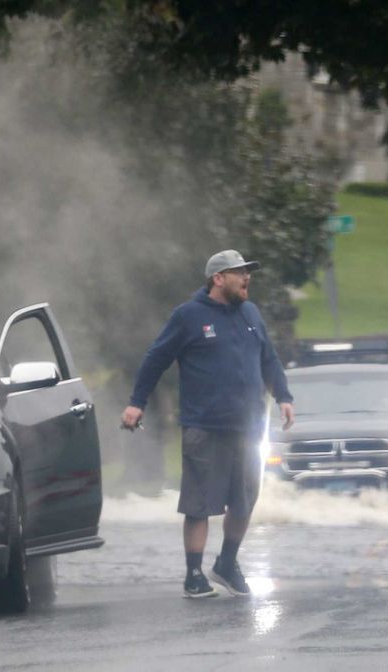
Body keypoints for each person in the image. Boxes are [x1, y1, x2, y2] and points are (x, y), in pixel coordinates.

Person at [121, 249, 295, 598]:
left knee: (244, 501)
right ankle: (194, 574)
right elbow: (156, 358)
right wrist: (136, 403)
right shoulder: (188, 316)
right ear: (218, 278)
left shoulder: (251, 313)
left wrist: (284, 396)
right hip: (204, 425)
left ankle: (227, 564)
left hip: (248, 428)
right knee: (199, 504)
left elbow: (268, 358)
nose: (248, 279)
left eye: (248, 273)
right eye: (240, 273)